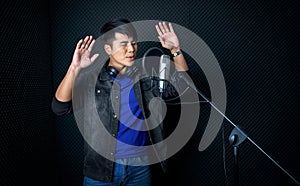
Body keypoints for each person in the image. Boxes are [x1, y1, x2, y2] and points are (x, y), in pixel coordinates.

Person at [52, 18, 189, 185]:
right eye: (123, 44)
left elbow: (181, 88)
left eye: (133, 43)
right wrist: (75, 68)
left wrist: (175, 50)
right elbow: (60, 107)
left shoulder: (145, 78)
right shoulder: (92, 81)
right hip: (101, 169)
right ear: (108, 49)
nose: (131, 49)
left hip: (140, 166)